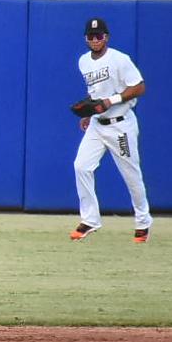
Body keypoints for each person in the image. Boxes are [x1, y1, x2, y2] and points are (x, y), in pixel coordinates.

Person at [70, 17, 153, 243]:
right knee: (81, 166)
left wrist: (111, 100)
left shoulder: (120, 59)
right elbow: (95, 92)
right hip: (98, 124)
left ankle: (143, 221)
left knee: (131, 174)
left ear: (106, 37)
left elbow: (139, 87)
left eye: (99, 36)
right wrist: (89, 112)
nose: (95, 40)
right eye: (91, 36)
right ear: (86, 39)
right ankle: (90, 219)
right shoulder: (83, 61)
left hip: (120, 124)